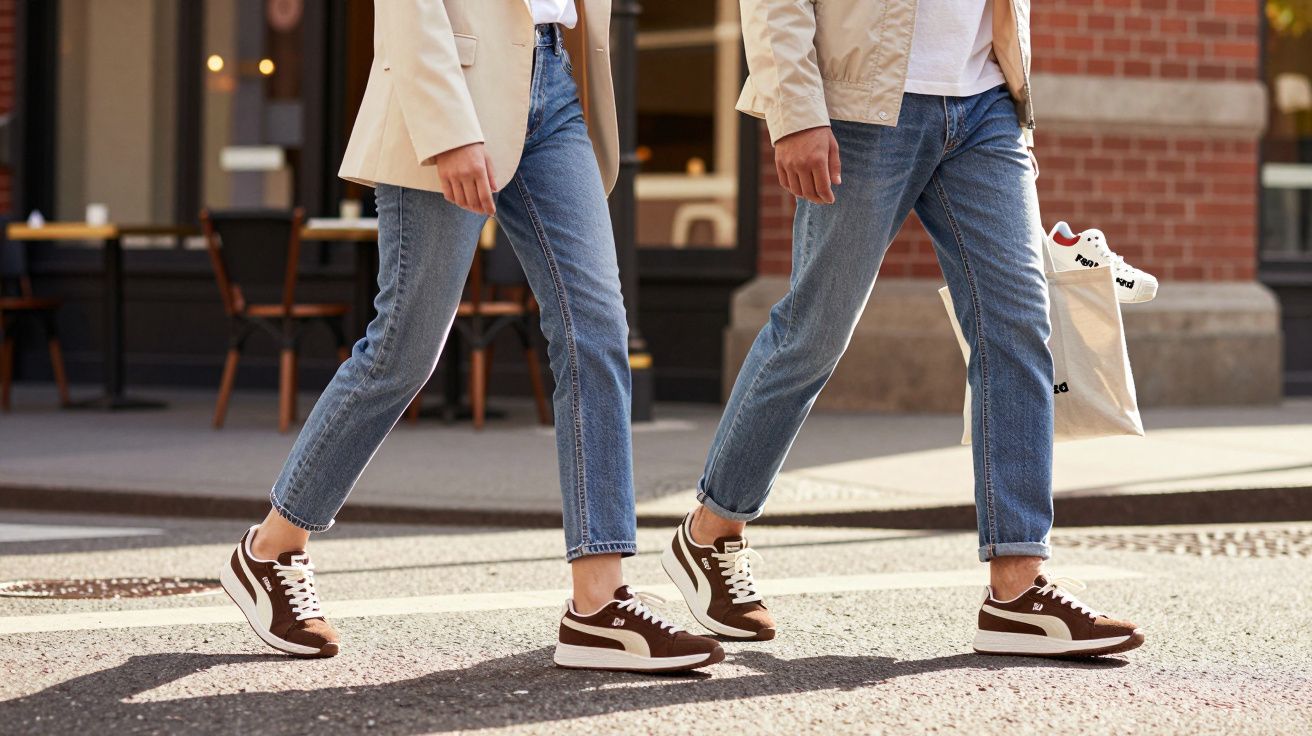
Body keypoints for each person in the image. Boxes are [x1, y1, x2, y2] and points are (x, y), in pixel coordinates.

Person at [217, 0, 723, 673]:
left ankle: (598, 607)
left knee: (596, 330)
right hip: (455, 81)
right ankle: (272, 549)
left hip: (555, 78)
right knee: (404, 349)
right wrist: (449, 128)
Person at [660, 0, 1146, 658]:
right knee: (817, 330)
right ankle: (710, 532)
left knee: (1020, 327)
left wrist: (1015, 86)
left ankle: (1018, 588)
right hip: (863, 104)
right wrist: (796, 109)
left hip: (985, 102)